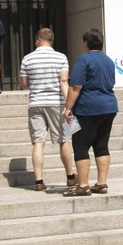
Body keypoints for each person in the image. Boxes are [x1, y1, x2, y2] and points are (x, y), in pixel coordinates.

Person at [19, 28, 77, 190]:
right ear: (51, 40)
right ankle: (70, 176)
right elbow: (64, 81)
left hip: (36, 103)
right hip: (56, 103)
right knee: (63, 140)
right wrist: (69, 105)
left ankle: (39, 181)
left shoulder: (27, 58)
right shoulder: (61, 57)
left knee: (38, 142)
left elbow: (24, 85)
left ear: (38, 39)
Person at [63, 28, 118, 197]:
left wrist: (68, 107)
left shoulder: (84, 59)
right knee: (101, 145)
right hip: (109, 107)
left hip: (88, 108)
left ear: (86, 43)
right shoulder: (108, 60)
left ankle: (83, 185)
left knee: (81, 146)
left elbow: (76, 86)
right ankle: (101, 183)